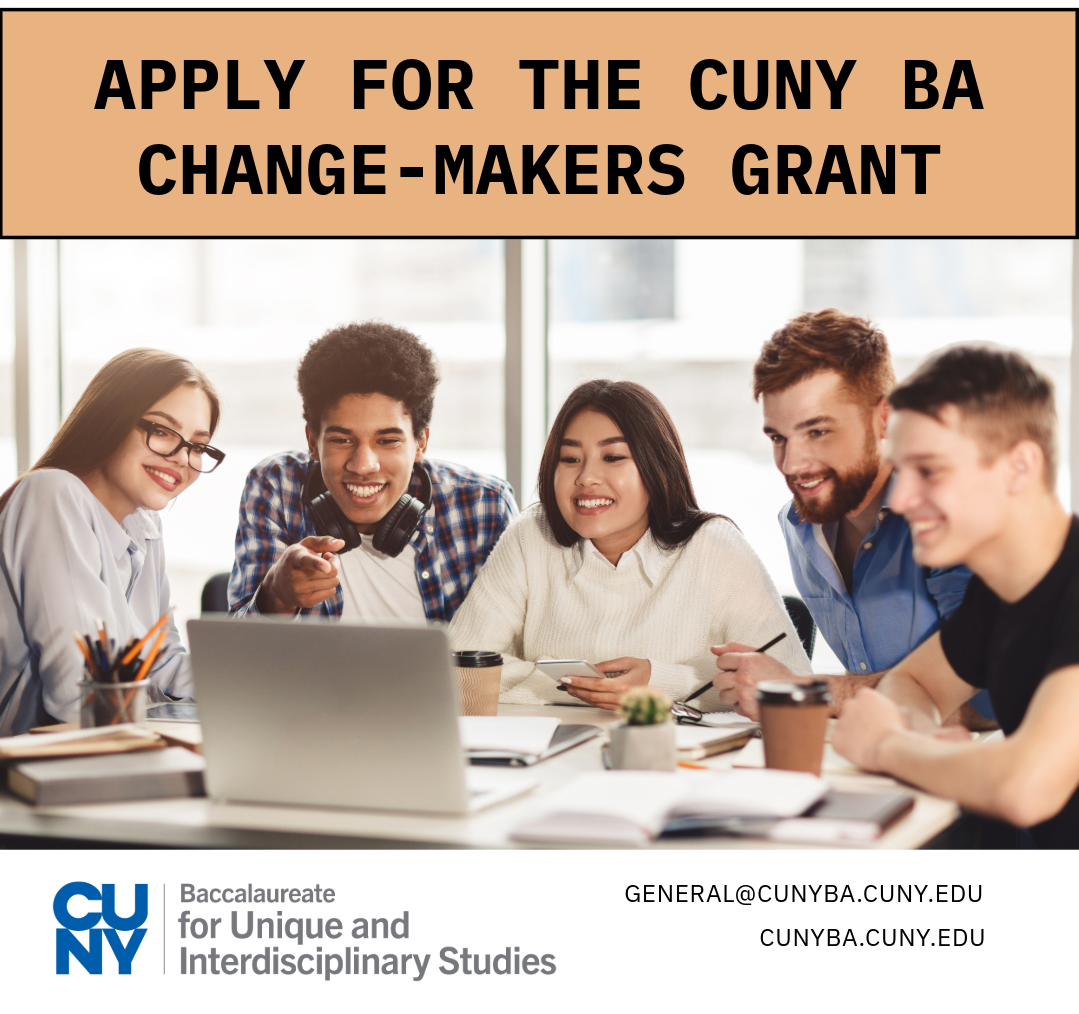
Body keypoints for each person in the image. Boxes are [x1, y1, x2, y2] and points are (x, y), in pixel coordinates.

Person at [831, 345, 1079, 848]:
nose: (899, 500)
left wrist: (888, 745)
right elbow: (914, 681)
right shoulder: (999, 592)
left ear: (1020, 467)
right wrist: (923, 741)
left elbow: (1025, 787)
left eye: (930, 471)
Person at [449, 379, 810, 710]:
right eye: (570, 459)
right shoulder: (532, 535)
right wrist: (589, 692)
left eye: (613, 458)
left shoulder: (715, 547)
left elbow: (789, 683)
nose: (586, 477)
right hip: (551, 759)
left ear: (656, 468)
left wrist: (660, 683)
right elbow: (457, 668)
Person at [711, 309, 988, 726]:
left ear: (884, 419)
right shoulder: (799, 525)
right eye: (778, 438)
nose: (791, 464)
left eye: (817, 432)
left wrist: (808, 692)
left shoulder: (950, 512)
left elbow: (987, 694)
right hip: (874, 754)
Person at [229, 321, 516, 622]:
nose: (363, 465)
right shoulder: (275, 486)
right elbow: (235, 659)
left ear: (421, 443)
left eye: (387, 441)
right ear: (312, 442)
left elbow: (514, 649)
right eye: (342, 440)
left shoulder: (486, 504)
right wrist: (275, 595)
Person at [0, 349, 223, 736]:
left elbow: (160, 666)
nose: (182, 458)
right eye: (162, 431)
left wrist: (251, 690)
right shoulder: (52, 494)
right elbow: (79, 695)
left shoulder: (143, 526)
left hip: (91, 756)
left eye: (197, 446)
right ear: (111, 419)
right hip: (23, 770)